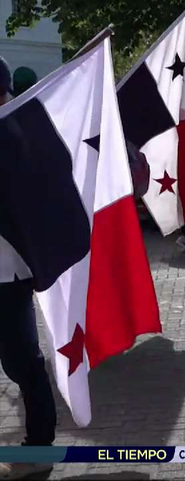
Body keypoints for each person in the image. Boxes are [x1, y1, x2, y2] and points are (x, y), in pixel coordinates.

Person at [0, 56, 57, 480]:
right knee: (20, 362)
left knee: (23, 363)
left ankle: (38, 448)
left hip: (9, 271)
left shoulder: (16, 130)